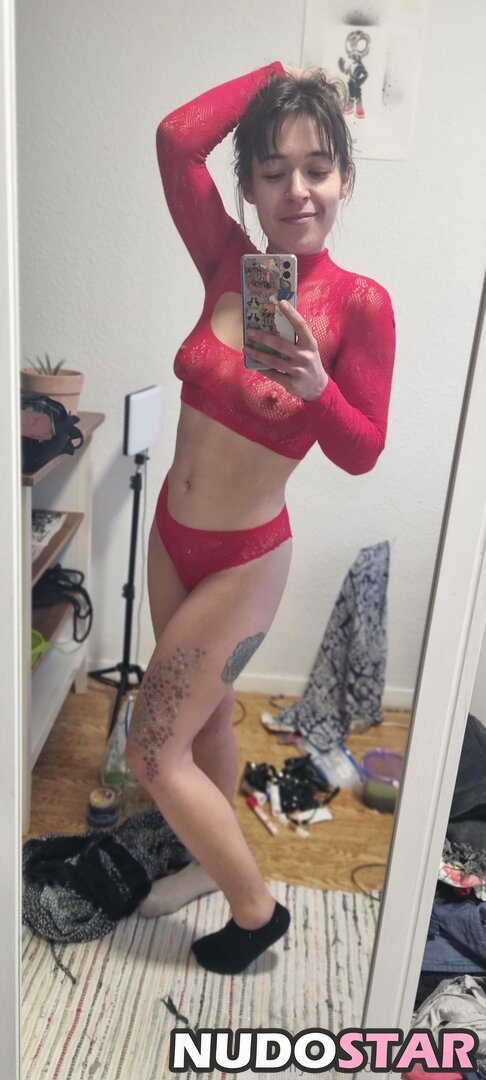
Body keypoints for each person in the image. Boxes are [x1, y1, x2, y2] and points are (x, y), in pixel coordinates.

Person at [124, 61, 396, 976]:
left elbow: (363, 451)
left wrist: (317, 387)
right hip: (172, 539)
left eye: (317, 168)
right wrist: (281, 77)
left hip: (244, 559)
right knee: (201, 728)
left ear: (345, 177)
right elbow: (175, 140)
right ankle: (209, 862)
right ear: (248, 185)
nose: (297, 190)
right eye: (273, 171)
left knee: (150, 752)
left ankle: (256, 909)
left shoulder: (360, 305)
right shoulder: (228, 263)